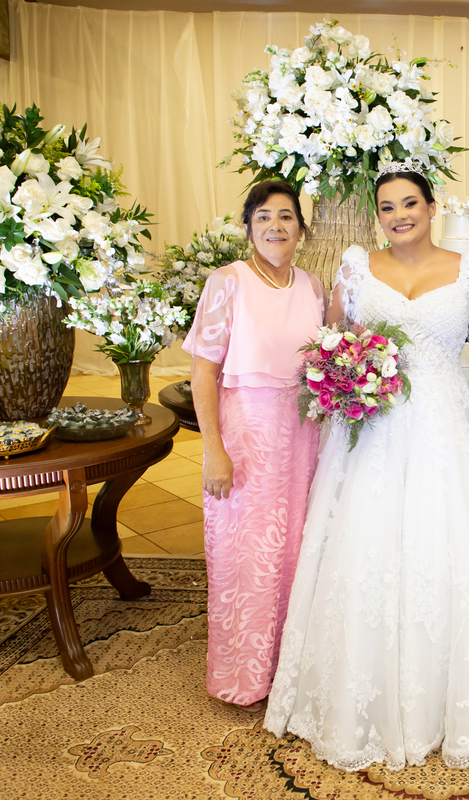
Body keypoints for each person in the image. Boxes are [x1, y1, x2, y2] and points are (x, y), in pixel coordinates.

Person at [263, 165, 469, 771]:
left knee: (448, 542)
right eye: (387, 207)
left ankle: (459, 698)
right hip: (373, 424)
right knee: (365, 543)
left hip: (443, 423)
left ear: (431, 208)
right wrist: (347, 375)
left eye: (409, 204)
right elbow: (334, 343)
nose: (399, 215)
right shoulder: (356, 266)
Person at [183, 180, 326, 706]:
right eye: (263, 216)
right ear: (248, 228)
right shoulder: (228, 282)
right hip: (247, 434)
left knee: (294, 548)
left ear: (301, 229)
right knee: (245, 551)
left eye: (285, 216)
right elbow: (203, 372)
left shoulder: (313, 287)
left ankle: (286, 670)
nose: (275, 226)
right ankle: (241, 677)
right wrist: (213, 450)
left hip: (302, 433)